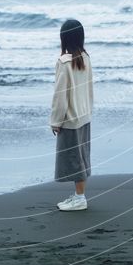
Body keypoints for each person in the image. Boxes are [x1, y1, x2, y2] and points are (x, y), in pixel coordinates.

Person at [50, 18, 94, 211]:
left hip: (70, 118)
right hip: (84, 115)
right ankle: (78, 195)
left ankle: (80, 198)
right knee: (81, 156)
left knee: (74, 159)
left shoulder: (64, 62)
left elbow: (60, 96)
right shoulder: (85, 58)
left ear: (64, 38)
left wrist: (55, 121)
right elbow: (89, 88)